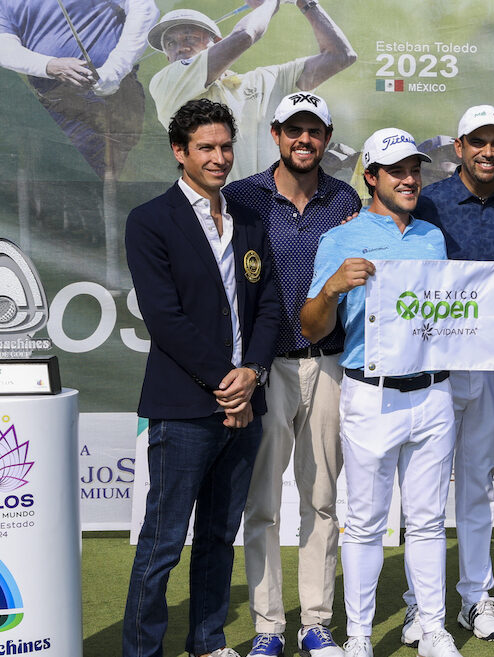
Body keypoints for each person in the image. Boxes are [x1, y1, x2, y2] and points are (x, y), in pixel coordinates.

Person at [122, 99, 279, 657]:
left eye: (226, 146)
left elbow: (269, 307)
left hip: (246, 405)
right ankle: (142, 651)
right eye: (206, 148)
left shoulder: (250, 218)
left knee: (218, 536)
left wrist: (252, 375)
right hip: (185, 407)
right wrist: (227, 382)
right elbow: (164, 318)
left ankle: (208, 642)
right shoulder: (150, 220)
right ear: (179, 152)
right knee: (163, 543)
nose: (219, 158)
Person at [299, 128, 454, 657]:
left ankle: (432, 629)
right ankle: (360, 637)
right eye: (396, 171)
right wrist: (332, 287)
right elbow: (313, 327)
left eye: (414, 170)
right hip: (371, 392)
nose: (409, 180)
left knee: (428, 521)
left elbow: (447, 316)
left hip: (433, 392)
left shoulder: (433, 237)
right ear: (371, 177)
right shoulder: (339, 240)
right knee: (365, 525)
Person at [223, 92, 360, 657]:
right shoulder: (241, 196)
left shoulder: (346, 197)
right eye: (294, 130)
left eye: (315, 131)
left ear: (326, 138)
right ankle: (268, 627)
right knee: (262, 503)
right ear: (276, 133)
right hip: (266, 366)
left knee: (322, 498)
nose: (305, 140)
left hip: (329, 362)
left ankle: (317, 623)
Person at [401, 104, 494, 646]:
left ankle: (477, 596)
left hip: (490, 364)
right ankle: (420, 605)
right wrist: (478, 279)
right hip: (434, 365)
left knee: (477, 485)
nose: (488, 151)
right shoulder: (428, 201)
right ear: (458, 148)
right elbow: (415, 279)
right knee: (425, 491)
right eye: (477, 141)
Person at [147, 0, 355, 181]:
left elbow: (341, 56)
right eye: (170, 43)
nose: (180, 48)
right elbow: (245, 35)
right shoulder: (165, 83)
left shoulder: (267, 78)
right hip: (222, 209)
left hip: (281, 207)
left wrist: (306, 3)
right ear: (167, 56)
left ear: (217, 43)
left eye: (190, 38)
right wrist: (270, 3)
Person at [0, 0, 158, 178]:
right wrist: (50, 65)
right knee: (66, 179)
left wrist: (115, 68)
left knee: (104, 177)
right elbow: (4, 47)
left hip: (115, 92)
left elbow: (143, 8)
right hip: (58, 103)